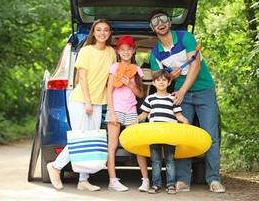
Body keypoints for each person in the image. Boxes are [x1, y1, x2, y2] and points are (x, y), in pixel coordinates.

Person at [148, 9, 226, 193]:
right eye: (155, 21)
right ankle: (183, 180)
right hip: (179, 93)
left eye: (164, 19)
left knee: (210, 136)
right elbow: (157, 78)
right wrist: (170, 76)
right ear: (152, 28)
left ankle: (214, 180)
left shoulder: (186, 37)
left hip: (204, 90)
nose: (160, 22)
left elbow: (195, 65)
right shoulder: (154, 53)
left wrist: (181, 90)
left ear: (170, 22)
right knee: (182, 137)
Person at [46, 19, 117, 191]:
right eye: (98, 30)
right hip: (81, 100)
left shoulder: (111, 53)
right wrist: (87, 102)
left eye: (105, 30)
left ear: (109, 34)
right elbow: (81, 78)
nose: (102, 33)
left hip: (98, 102)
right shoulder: (85, 51)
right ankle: (55, 167)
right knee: (81, 139)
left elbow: (109, 81)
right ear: (93, 32)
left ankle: (83, 181)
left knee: (90, 141)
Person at [133, 69, 189, 194]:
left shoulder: (173, 99)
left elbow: (178, 115)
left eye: (164, 80)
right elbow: (144, 114)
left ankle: (170, 185)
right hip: (154, 135)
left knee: (170, 161)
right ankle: (156, 185)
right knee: (156, 161)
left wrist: (184, 119)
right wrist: (138, 119)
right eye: (158, 80)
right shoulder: (150, 99)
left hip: (170, 135)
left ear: (169, 83)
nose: (161, 82)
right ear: (154, 83)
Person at [105, 35, 149, 192]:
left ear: (133, 50)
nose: (125, 52)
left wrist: (130, 84)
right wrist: (111, 113)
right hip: (115, 109)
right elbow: (109, 91)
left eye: (128, 49)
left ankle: (145, 180)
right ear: (118, 52)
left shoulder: (137, 70)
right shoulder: (114, 67)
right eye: (122, 49)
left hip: (131, 110)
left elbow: (139, 94)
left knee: (137, 144)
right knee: (113, 144)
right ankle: (112, 180)